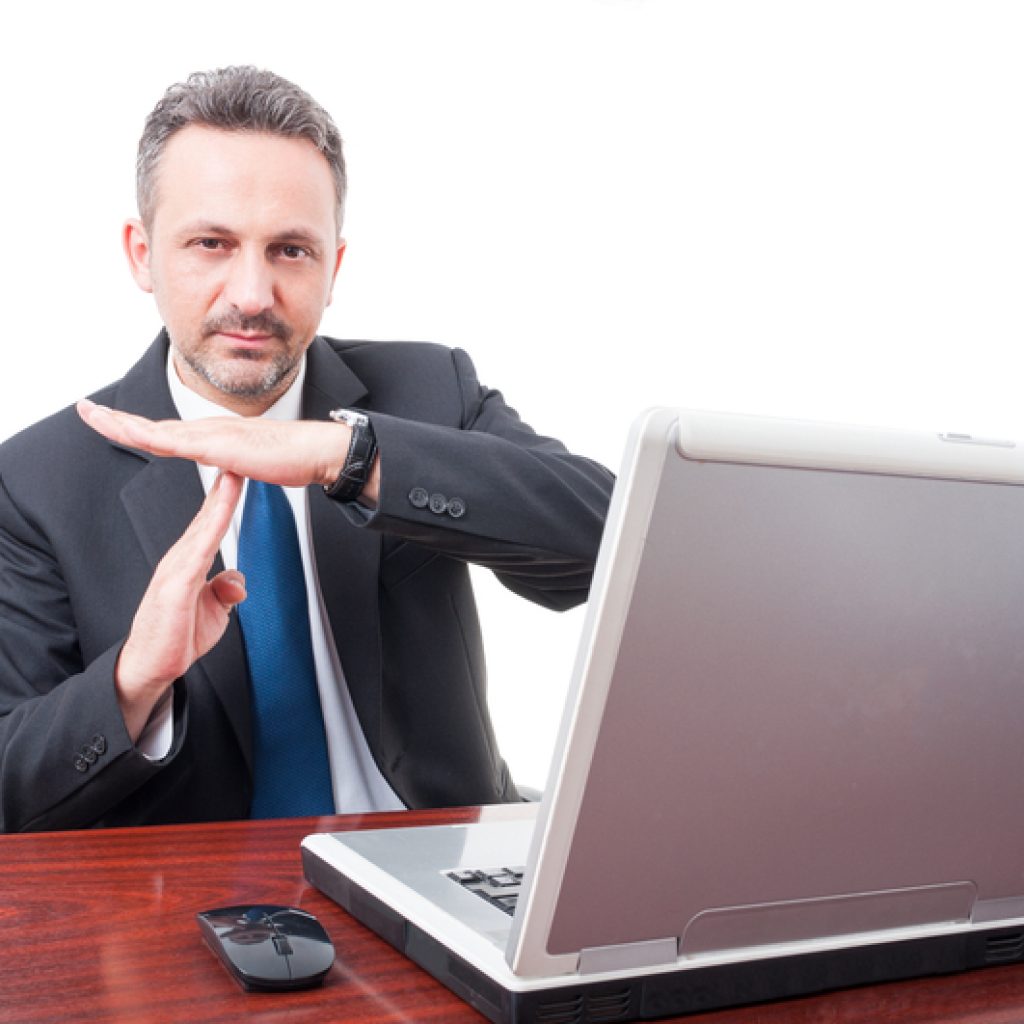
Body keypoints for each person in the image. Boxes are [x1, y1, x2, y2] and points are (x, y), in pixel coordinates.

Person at [0, 66, 613, 831]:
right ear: (141, 254)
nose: (252, 294)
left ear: (335, 268)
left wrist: (347, 460)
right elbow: (10, 791)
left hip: (435, 868)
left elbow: (608, 544)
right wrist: (133, 681)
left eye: (291, 250)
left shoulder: (428, 389)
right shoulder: (37, 480)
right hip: (193, 906)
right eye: (211, 243)